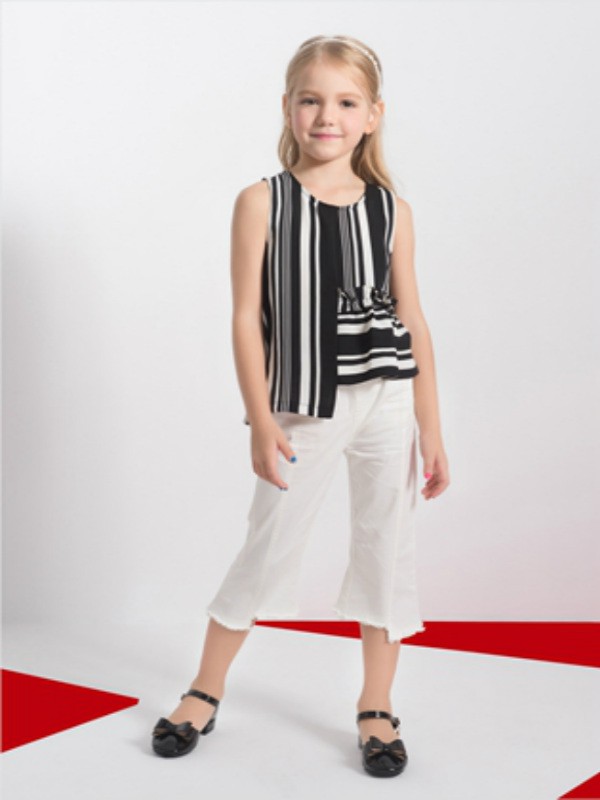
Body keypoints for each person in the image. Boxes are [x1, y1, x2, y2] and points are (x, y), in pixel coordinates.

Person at [151, 33, 450, 778]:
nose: (327, 116)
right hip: (304, 407)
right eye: (312, 100)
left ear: (373, 115)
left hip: (387, 400)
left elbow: (414, 320)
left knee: (387, 546)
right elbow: (244, 318)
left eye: (346, 102)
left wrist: (432, 427)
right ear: (288, 107)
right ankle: (204, 689)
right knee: (268, 543)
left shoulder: (392, 210)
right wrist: (259, 419)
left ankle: (377, 704)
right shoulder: (263, 202)